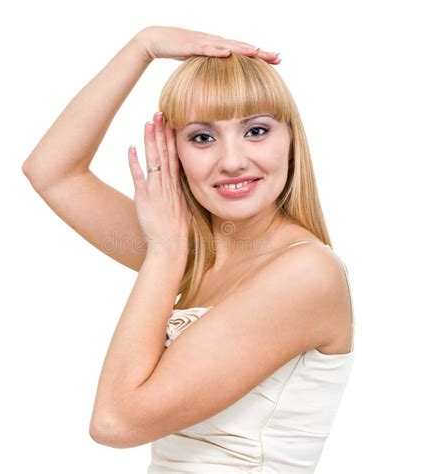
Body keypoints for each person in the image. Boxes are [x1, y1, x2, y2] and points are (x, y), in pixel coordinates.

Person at [23, 26, 355, 473]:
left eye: (256, 130)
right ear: (173, 148)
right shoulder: (193, 252)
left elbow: (115, 422)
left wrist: (163, 251)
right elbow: (51, 171)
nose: (232, 160)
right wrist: (143, 46)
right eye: (202, 137)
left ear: (291, 140)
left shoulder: (305, 274)